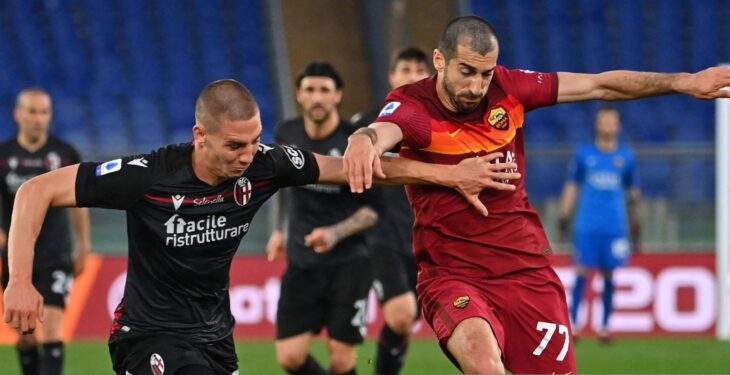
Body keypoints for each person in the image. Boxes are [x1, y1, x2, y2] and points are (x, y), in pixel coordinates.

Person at [3, 79, 518, 375]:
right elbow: (35, 191)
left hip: (214, 337)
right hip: (147, 334)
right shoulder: (148, 176)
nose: (248, 156)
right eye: (234, 146)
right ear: (199, 135)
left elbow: (358, 171)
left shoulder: (266, 163)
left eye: (254, 142)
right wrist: (20, 280)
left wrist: (448, 174)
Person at [343, 15, 730, 375]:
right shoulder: (414, 105)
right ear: (439, 61)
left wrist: (682, 81)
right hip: (453, 274)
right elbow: (382, 134)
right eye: (466, 71)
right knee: (484, 366)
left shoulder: (510, 88)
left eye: (484, 74)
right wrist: (364, 140)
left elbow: (601, 86)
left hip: (526, 272)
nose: (476, 86)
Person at [266, 62, 377, 375]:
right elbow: (281, 185)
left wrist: (334, 233)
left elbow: (372, 210)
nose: (317, 97)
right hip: (302, 263)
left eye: (325, 91)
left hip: (349, 263)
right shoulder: (286, 133)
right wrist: (279, 230)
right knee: (290, 357)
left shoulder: (352, 143)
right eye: (310, 90)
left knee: (342, 361)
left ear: (337, 96)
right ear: (300, 95)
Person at [350, 47, 431, 375]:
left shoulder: (437, 128)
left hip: (425, 237)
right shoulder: (368, 124)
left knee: (406, 321)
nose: (411, 75)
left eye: (418, 70)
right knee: (400, 314)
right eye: (404, 69)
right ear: (392, 77)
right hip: (381, 236)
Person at [0, 88, 91, 375]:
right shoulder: (3, 156)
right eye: (32, 111)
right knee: (26, 334)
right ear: (18, 114)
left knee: (51, 329)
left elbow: (80, 203)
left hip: (56, 253)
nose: (39, 118)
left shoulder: (64, 154)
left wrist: (84, 245)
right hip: (16, 258)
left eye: (44, 112)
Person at [558, 106, 641, 343]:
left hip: (615, 226)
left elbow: (633, 192)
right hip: (587, 225)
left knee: (609, 275)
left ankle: (605, 327)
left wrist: (636, 222)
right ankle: (574, 325)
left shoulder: (626, 157)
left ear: (618, 126)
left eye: (611, 121)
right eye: (603, 120)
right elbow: (572, 186)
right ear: (597, 124)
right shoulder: (584, 154)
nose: (607, 125)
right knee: (581, 272)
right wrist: (564, 216)